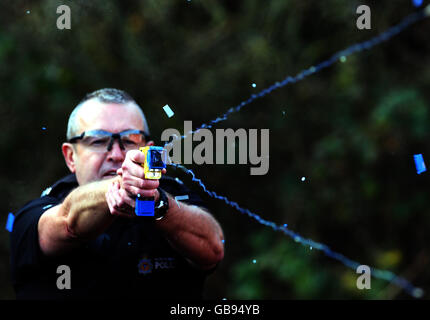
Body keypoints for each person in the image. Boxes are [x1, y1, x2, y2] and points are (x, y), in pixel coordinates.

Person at [10, 88, 225, 299]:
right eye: (98, 141)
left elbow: (213, 249)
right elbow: (67, 221)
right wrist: (124, 187)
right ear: (70, 157)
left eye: (129, 140)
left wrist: (159, 205)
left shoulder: (172, 194)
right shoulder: (43, 206)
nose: (116, 153)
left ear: (148, 150)